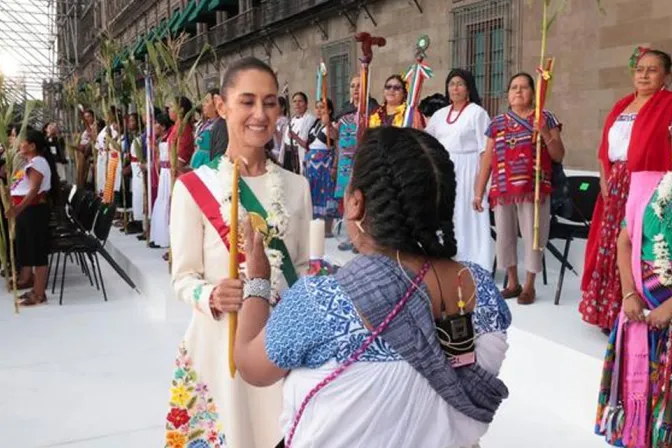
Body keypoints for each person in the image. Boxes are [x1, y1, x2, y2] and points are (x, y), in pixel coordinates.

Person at [233, 126, 511, 447]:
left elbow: (251, 367)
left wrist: (257, 281)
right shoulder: (481, 288)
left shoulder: (320, 301)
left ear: (356, 204)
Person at [164, 57, 311, 448]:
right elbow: (182, 277)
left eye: (270, 102)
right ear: (223, 105)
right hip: (218, 346)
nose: (260, 114)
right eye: (247, 102)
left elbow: (301, 268)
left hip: (278, 345)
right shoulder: (193, 188)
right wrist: (210, 294)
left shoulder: (298, 187)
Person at [580, 49, 672, 333]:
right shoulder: (621, 105)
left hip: (650, 185)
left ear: (666, 76)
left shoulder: (668, 104)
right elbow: (604, 149)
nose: (643, 75)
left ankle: (642, 306)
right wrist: (604, 178)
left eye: (652, 69)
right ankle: (608, 312)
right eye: (640, 69)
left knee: (638, 241)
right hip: (616, 184)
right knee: (611, 246)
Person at [473, 73, 565, 305]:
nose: (518, 91)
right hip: (503, 190)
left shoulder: (545, 117)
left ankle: (530, 286)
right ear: (508, 94)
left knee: (534, 235)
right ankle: (513, 282)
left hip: (534, 188)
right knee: (505, 236)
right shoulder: (497, 123)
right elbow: (488, 159)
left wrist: (543, 132)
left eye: (524, 87)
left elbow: (558, 154)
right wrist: (478, 191)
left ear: (533, 93)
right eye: (514, 87)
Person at [595, 171, 672, 447]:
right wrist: (628, 293)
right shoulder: (652, 185)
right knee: (644, 420)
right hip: (645, 319)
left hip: (664, 314)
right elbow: (624, 240)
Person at [426, 69, 492, 271]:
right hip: (445, 172)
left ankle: (474, 262)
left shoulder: (478, 113)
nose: (455, 88)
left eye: (460, 83)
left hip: (469, 170)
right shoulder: (439, 115)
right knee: (448, 215)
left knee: (468, 216)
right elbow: (428, 142)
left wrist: (481, 183)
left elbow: (485, 151)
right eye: (451, 83)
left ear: (469, 88)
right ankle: (450, 257)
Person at [7, 129, 59, 306]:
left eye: (22, 142)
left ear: (32, 146)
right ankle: (31, 283)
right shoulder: (29, 162)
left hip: (33, 211)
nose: (19, 145)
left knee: (38, 251)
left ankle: (39, 293)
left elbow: (34, 190)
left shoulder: (38, 162)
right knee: (29, 248)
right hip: (27, 212)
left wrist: (18, 208)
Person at [305, 98, 338, 236]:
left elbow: (337, 143)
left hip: (324, 165)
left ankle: (327, 229)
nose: (319, 110)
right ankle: (316, 227)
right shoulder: (315, 125)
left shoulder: (332, 125)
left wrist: (329, 125)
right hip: (312, 166)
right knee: (314, 195)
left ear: (329, 110)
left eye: (322, 107)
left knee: (326, 194)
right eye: (317, 107)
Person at [149, 114, 174, 250]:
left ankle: (166, 237)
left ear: (163, 126)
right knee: (161, 200)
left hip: (169, 171)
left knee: (167, 201)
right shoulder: (161, 139)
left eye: (157, 124)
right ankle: (159, 235)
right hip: (163, 173)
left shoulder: (170, 136)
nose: (154, 127)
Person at [191, 88, 229, 168]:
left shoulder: (222, 126)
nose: (203, 105)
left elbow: (219, 155)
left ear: (217, 104)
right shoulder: (207, 124)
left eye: (207, 101)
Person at [282, 91, 316, 174]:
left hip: (299, 154)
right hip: (288, 154)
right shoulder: (291, 120)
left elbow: (309, 141)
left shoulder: (310, 119)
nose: (297, 104)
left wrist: (295, 137)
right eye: (295, 101)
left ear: (306, 104)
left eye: (300, 101)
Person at [167, 96, 196, 176]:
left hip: (178, 171)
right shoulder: (176, 126)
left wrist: (175, 168)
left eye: (171, 106)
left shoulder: (184, 128)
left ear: (181, 110)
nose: (168, 109)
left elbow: (182, 155)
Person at [75, 109, 96, 188]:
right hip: (81, 152)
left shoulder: (94, 126)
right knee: (80, 174)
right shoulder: (85, 128)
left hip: (87, 153)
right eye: (85, 117)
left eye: (89, 116)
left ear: (93, 117)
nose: (86, 119)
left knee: (84, 175)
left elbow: (93, 139)